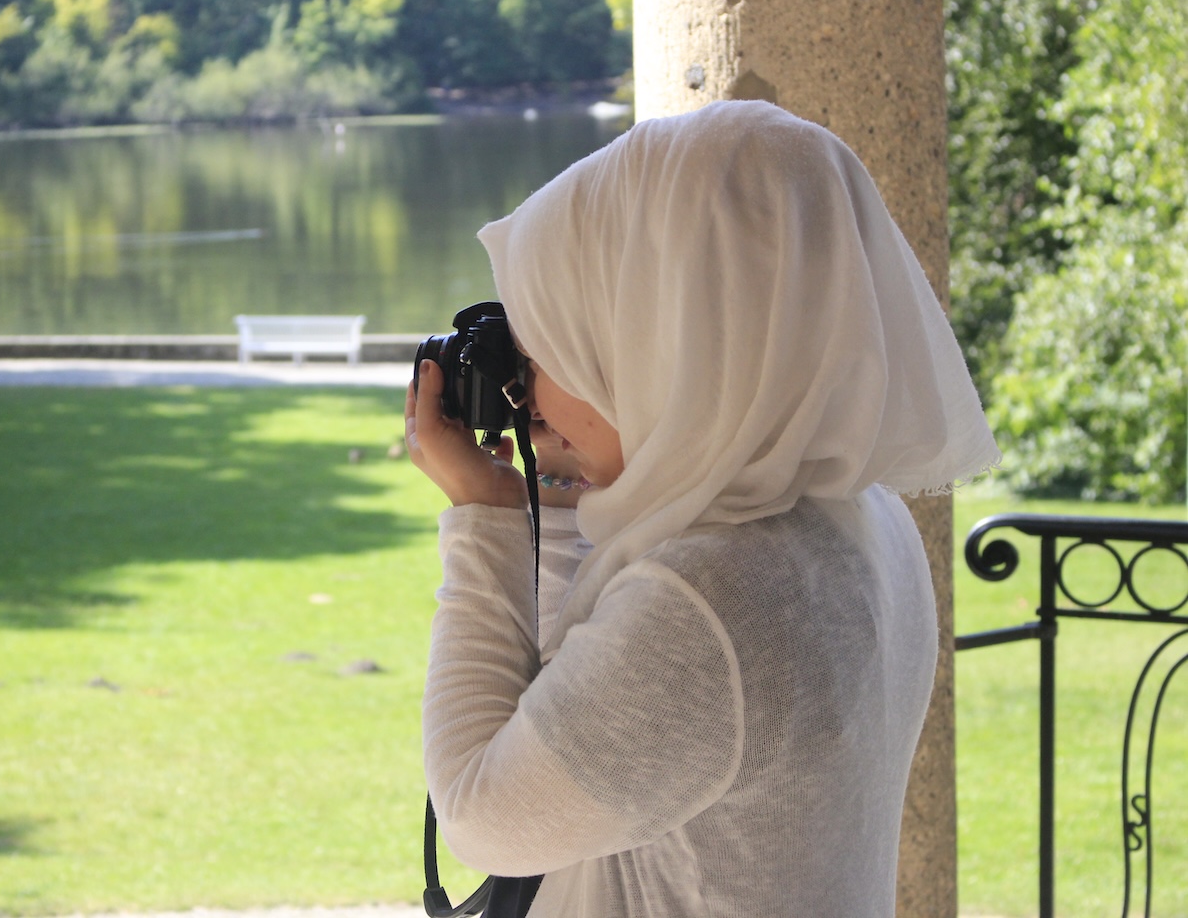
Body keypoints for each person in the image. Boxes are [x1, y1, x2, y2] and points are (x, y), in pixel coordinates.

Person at [403, 100, 999, 917]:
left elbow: (483, 814)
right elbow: (573, 706)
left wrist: (483, 520)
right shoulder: (859, 518)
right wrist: (539, 507)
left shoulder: (715, 597)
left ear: (653, 338)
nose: (529, 396)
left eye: (550, 350)